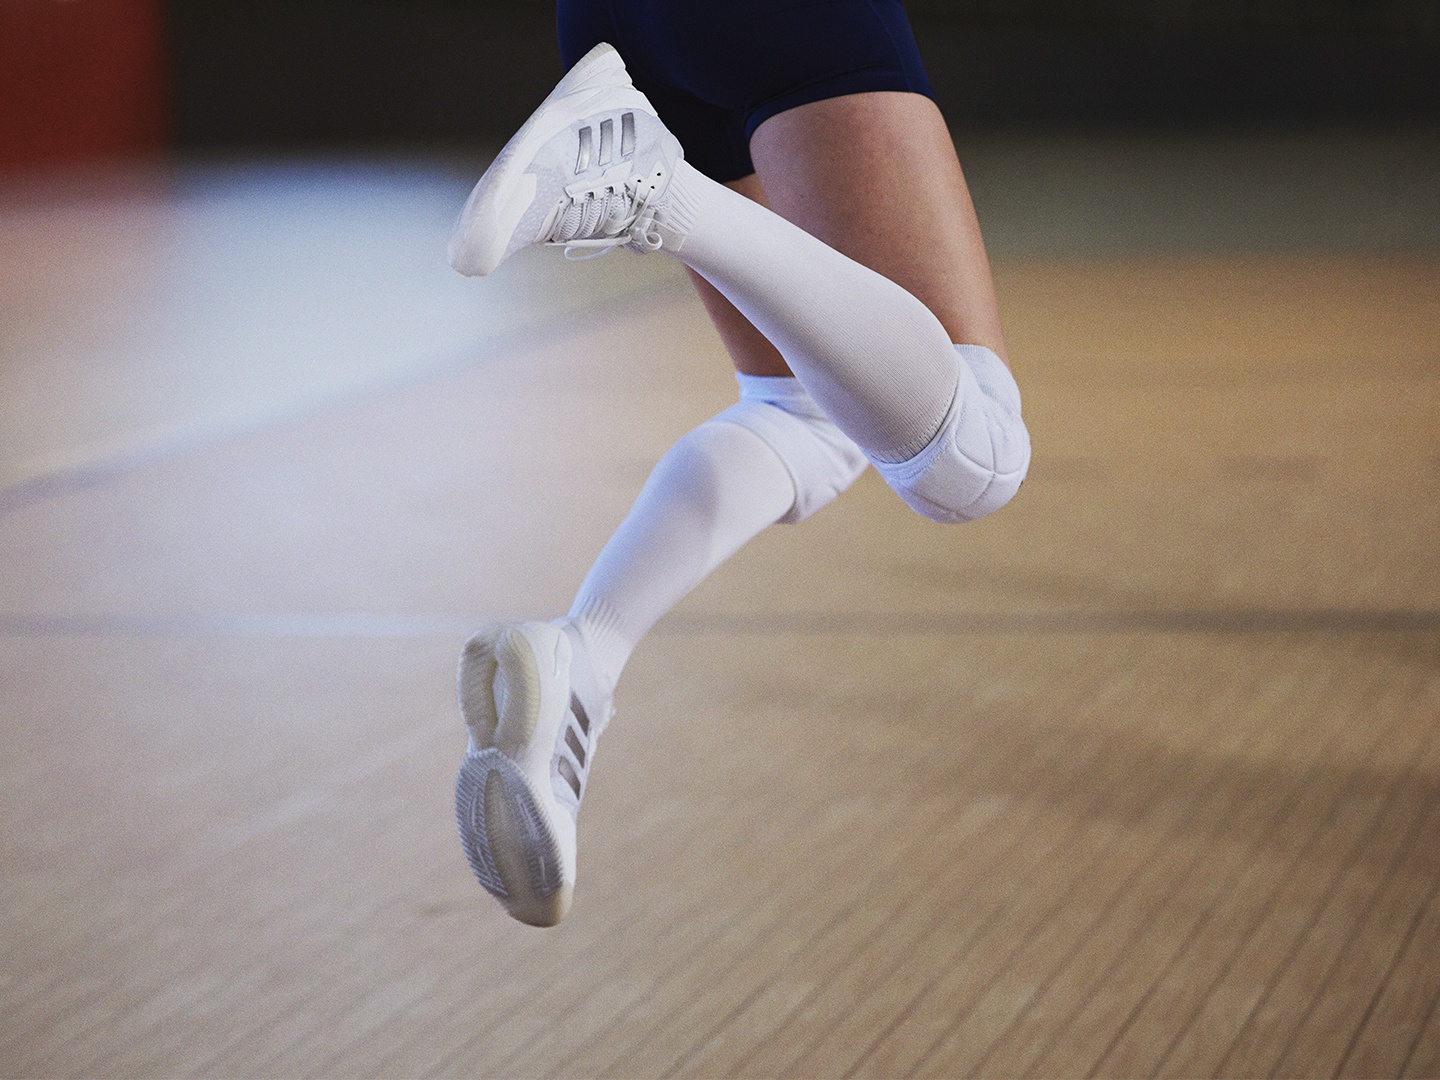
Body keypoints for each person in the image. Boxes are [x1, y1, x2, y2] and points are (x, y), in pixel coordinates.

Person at [448, 0, 1031, 927]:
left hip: (616, 21)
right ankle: (658, 193)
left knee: (802, 407)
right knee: (972, 461)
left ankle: (582, 654)